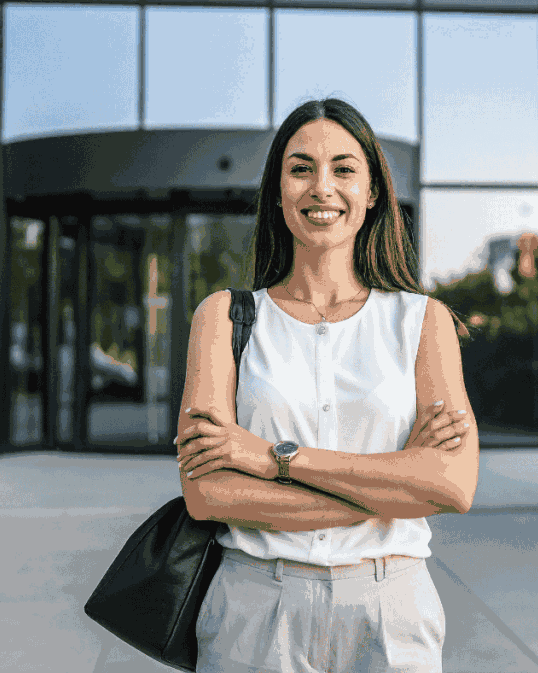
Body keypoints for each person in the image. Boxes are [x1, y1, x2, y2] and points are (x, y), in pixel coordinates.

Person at [174, 98, 479, 673]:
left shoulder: (422, 322)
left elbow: (453, 485)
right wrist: (393, 485)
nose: (322, 188)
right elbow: (210, 494)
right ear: (277, 190)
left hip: (391, 611)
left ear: (372, 194)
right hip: (254, 610)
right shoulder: (223, 319)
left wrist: (270, 458)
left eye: (343, 169)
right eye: (300, 169)